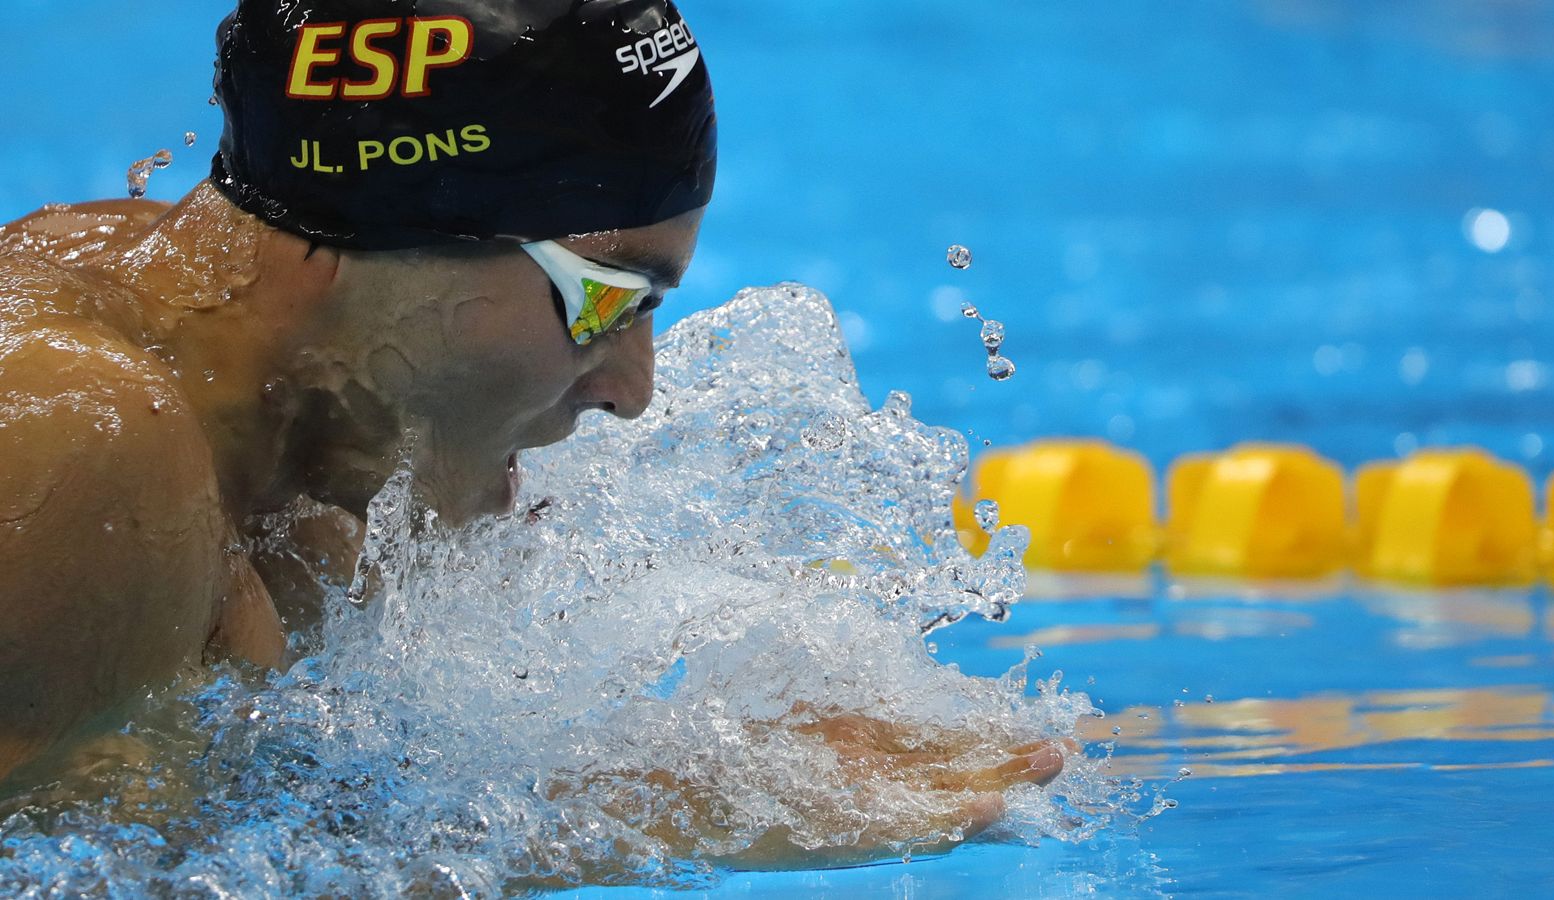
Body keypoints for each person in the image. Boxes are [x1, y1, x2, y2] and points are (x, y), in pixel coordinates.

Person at [0, 0, 1061, 868]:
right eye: (606, 299)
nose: (632, 391)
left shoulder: (295, 435)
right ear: (389, 231)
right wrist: (640, 831)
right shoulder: (81, 442)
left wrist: (687, 785)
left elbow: (209, 837)